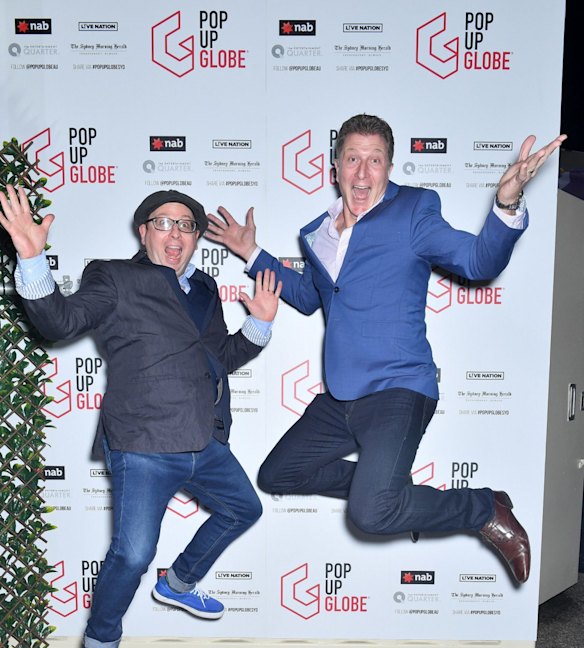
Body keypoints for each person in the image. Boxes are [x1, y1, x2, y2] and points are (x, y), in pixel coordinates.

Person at [207, 113, 566, 590]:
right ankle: (393, 492)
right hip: (340, 397)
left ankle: (482, 507)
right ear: (335, 167)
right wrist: (252, 254)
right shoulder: (317, 234)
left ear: (389, 167)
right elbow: (313, 295)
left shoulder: (415, 212)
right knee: (278, 473)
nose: (362, 171)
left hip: (399, 388)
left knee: (371, 513)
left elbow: (479, 261)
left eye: (374, 160)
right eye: (352, 158)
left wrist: (507, 202)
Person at [0, 186, 281, 648]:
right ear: (143, 231)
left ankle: (179, 581)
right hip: (144, 443)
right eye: (163, 223)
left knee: (245, 507)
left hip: (204, 439)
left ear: (196, 238)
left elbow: (218, 356)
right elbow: (59, 322)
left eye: (186, 226)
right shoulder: (115, 277)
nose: (175, 234)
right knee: (132, 553)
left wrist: (259, 324)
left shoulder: (204, 290)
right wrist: (32, 260)